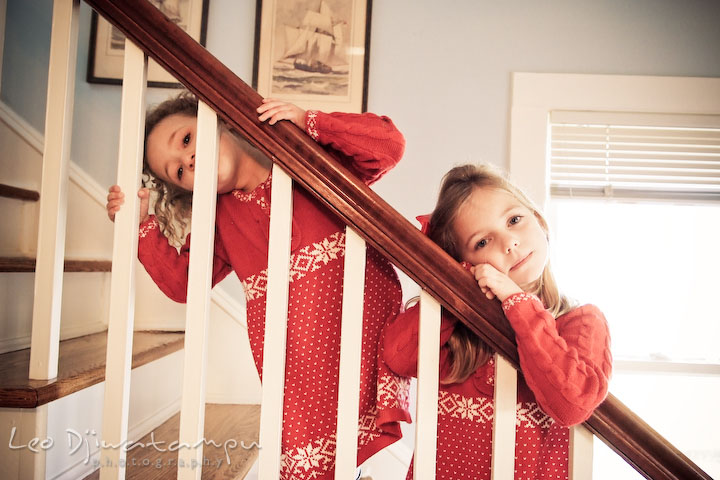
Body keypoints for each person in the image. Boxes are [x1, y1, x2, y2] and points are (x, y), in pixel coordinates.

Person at [106, 92, 411, 479]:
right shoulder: (217, 219)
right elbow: (185, 283)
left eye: (186, 140)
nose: (189, 161)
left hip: (364, 338)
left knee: (355, 444)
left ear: (218, 119)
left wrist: (309, 120)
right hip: (302, 371)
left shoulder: (304, 152)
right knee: (320, 467)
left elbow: (389, 146)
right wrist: (141, 225)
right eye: (178, 172)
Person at [382, 163, 612, 479]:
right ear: (465, 261)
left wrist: (519, 303)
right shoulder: (458, 334)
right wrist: (458, 285)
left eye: (514, 220)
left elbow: (572, 404)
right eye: (482, 242)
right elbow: (397, 355)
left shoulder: (581, 322)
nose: (509, 243)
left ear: (540, 221)